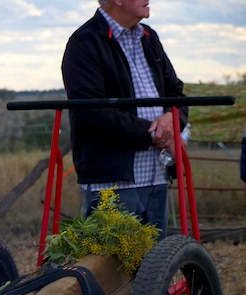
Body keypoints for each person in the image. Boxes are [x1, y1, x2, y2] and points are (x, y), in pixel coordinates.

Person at [61, 0, 188, 239]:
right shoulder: (84, 42)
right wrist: (155, 134)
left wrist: (173, 119)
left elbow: (177, 93)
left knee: (153, 272)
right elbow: (91, 114)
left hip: (156, 175)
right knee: (111, 271)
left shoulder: (149, 37)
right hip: (112, 183)